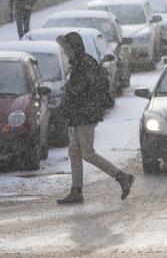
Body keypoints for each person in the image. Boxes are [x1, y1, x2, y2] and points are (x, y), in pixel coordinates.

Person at [55, 32, 134, 205]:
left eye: (67, 48)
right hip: (77, 116)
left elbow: (84, 92)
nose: (66, 52)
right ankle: (76, 190)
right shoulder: (77, 64)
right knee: (74, 152)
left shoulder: (85, 64)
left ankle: (122, 177)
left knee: (87, 153)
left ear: (74, 48)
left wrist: (72, 98)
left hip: (85, 116)